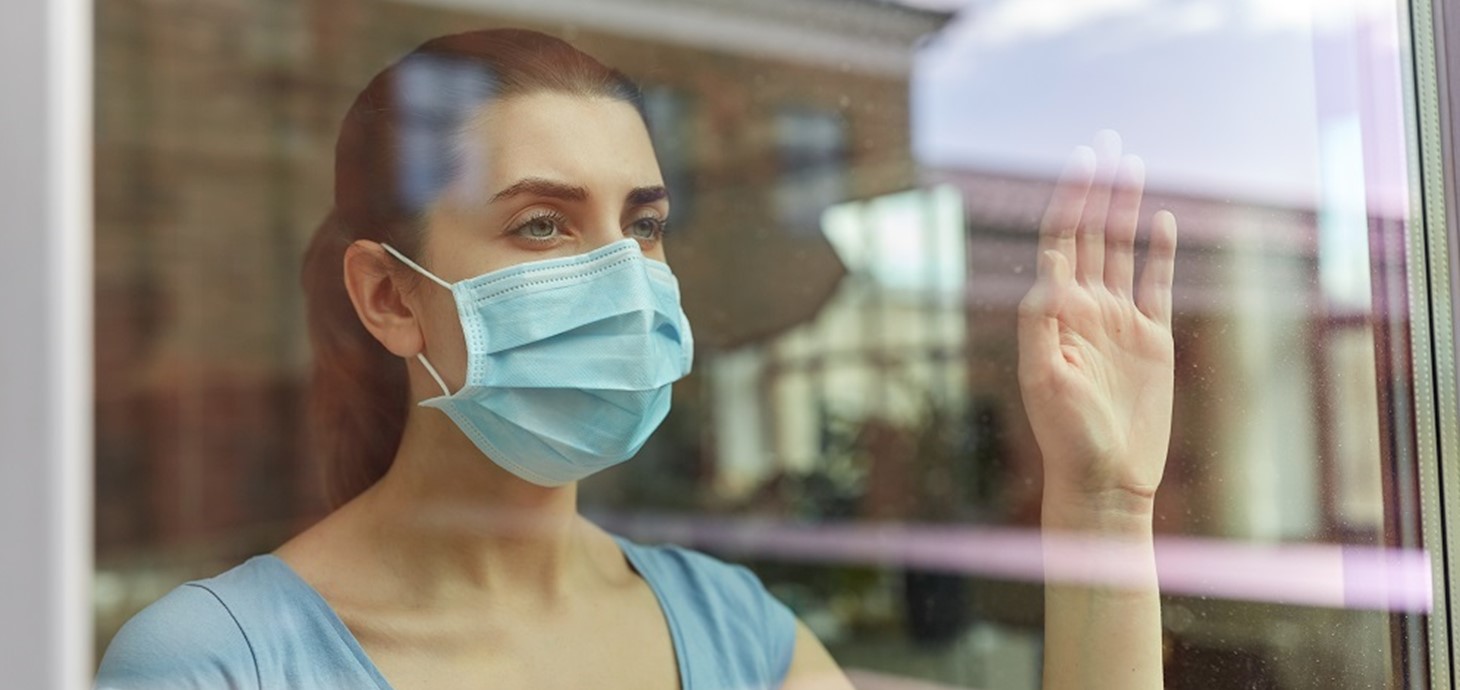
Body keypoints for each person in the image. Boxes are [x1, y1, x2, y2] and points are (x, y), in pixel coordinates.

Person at [95, 28, 1177, 690]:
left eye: (643, 224)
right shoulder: (215, 663)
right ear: (390, 298)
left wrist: (1103, 508)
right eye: (542, 227)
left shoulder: (732, 630)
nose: (622, 279)